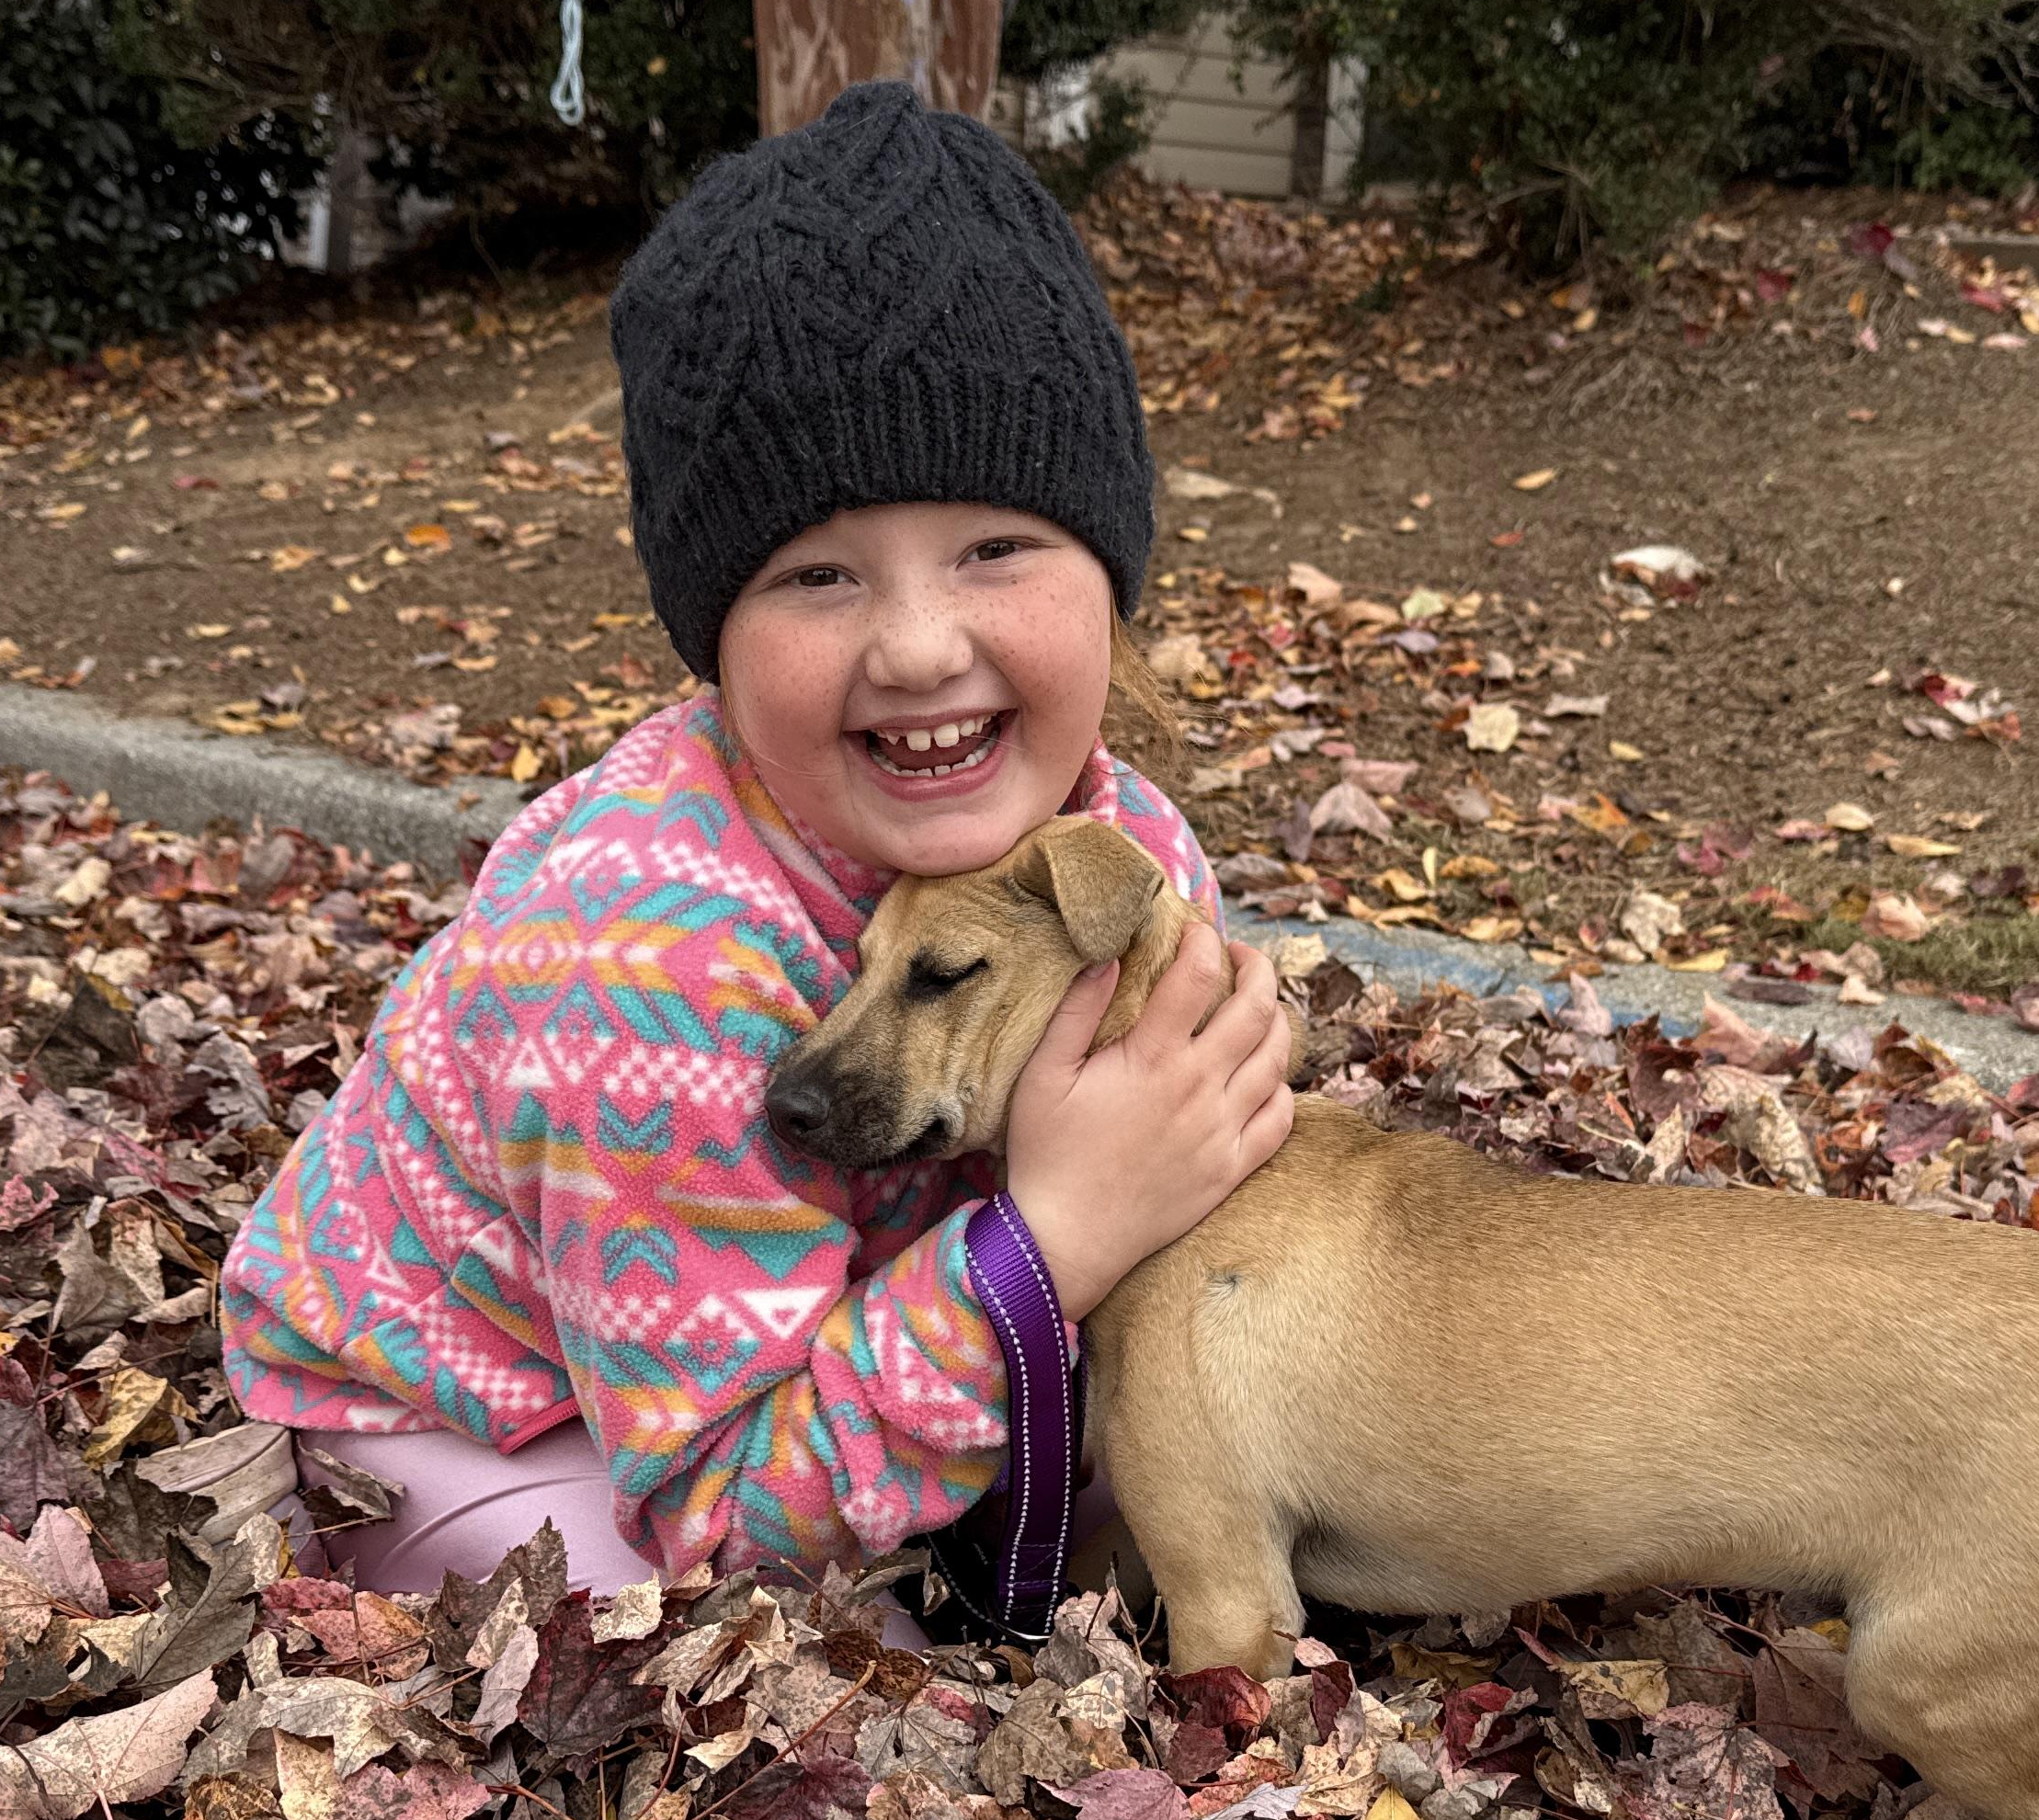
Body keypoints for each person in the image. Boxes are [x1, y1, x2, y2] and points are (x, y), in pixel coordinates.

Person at [219, 80, 1297, 1609]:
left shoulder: (1122, 846)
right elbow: (718, 1510)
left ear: (1110, 570)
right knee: (743, 1657)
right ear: (708, 640)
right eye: (816, 574)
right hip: (501, 1436)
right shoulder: (642, 967)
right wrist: (1050, 1243)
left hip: (840, 1355)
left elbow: (1220, 1154)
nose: (923, 648)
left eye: (997, 546)